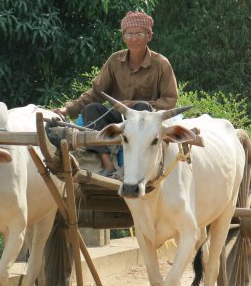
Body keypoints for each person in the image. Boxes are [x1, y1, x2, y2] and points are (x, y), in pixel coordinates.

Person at [55, 11, 179, 178]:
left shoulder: (161, 64)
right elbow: (96, 92)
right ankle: (109, 166)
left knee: (142, 108)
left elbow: (170, 100)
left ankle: (131, 167)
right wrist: (67, 109)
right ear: (123, 37)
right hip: (118, 117)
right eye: (129, 34)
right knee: (92, 109)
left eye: (139, 34)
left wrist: (135, 104)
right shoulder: (115, 61)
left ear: (149, 36)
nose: (134, 38)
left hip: (145, 120)